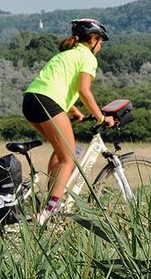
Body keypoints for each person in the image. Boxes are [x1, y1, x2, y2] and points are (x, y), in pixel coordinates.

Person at [22, 18, 116, 224]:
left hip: (31, 101)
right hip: (48, 103)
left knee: (61, 151)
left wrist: (75, 111)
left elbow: (58, 86)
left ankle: (48, 199)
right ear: (93, 39)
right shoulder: (88, 57)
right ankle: (50, 210)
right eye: (101, 41)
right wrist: (102, 117)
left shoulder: (66, 54)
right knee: (69, 157)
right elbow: (84, 91)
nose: (100, 46)